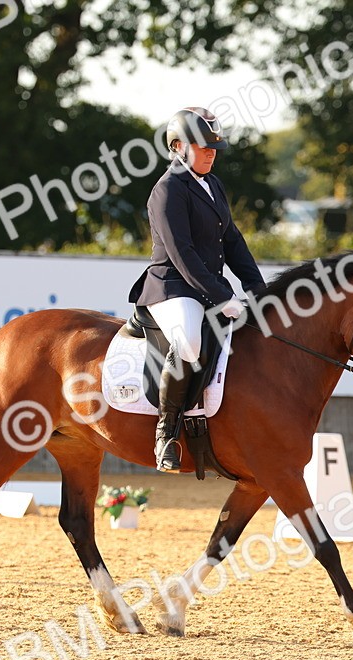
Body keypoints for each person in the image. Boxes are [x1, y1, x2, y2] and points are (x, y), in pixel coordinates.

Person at [128, 107, 267, 472]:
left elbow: (232, 241)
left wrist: (257, 287)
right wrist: (223, 297)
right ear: (178, 147)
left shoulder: (213, 185)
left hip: (205, 287)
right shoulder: (167, 190)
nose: (211, 153)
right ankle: (166, 433)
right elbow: (182, 254)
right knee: (189, 341)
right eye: (203, 147)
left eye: (214, 148)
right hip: (172, 288)